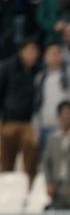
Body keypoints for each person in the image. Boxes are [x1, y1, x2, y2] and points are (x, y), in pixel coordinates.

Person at [0, 39, 40, 182]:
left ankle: (29, 191)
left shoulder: (39, 70)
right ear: (21, 52)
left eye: (35, 51)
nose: (33, 54)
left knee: (30, 165)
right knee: (6, 163)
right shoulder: (7, 67)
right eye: (29, 51)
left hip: (29, 124)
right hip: (8, 123)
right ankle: (5, 190)